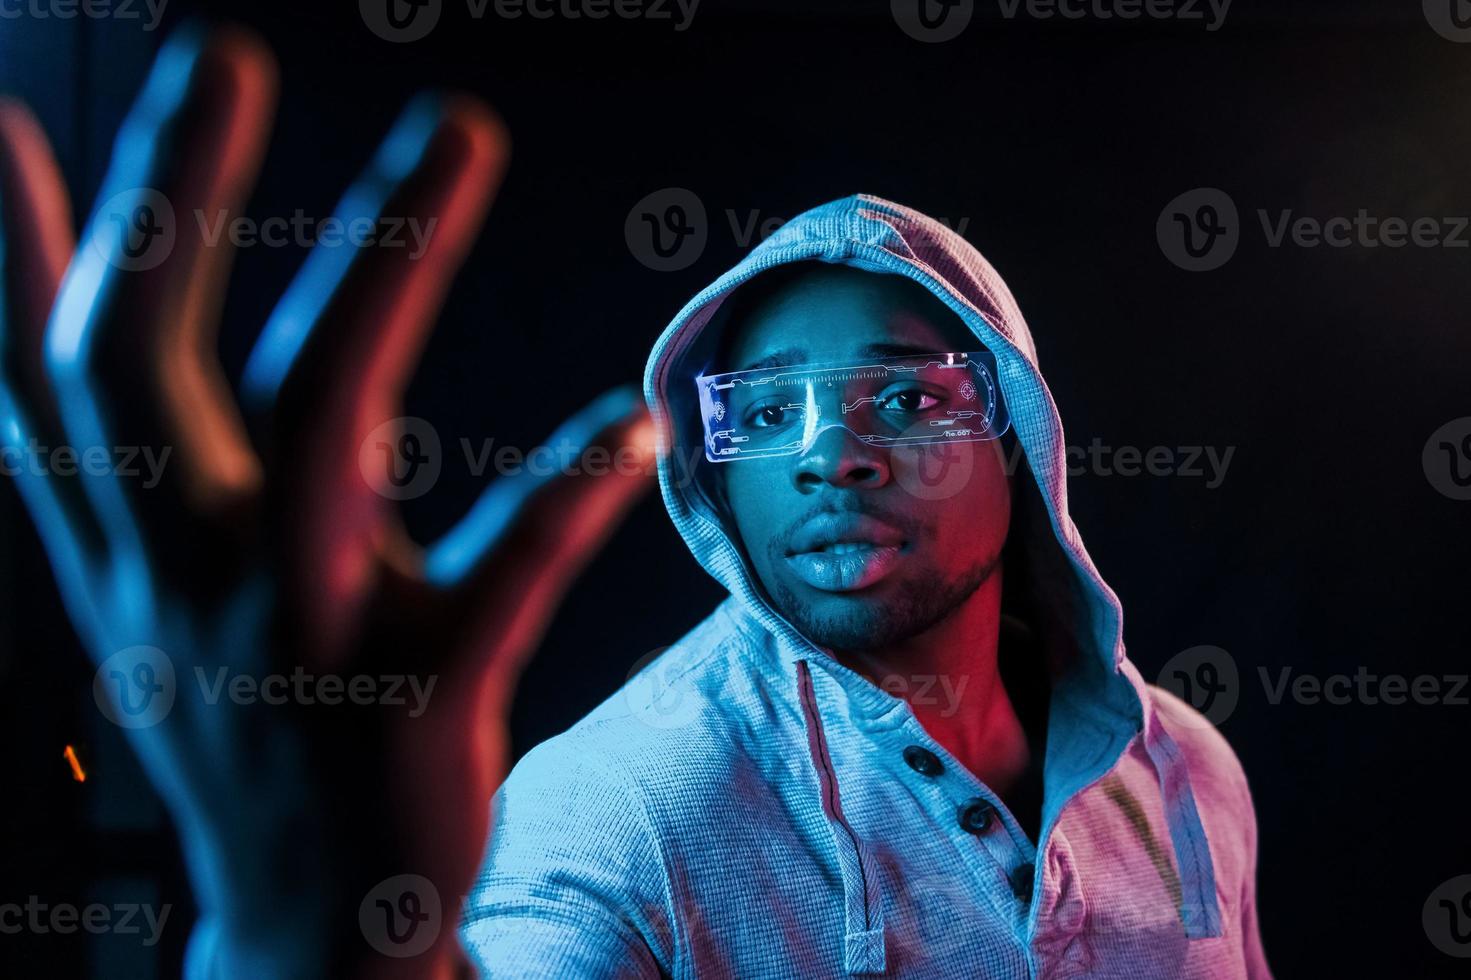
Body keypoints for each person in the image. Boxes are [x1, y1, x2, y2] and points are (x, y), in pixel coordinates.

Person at [461, 195, 1271, 977]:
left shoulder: (1180, 767)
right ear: (715, 476)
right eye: (770, 414)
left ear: (1016, 436)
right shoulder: (609, 807)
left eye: (907, 398)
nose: (831, 456)